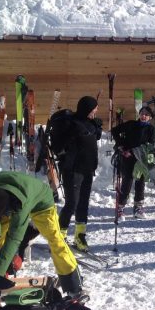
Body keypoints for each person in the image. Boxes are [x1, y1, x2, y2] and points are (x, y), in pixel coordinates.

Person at [0, 172, 84, 301]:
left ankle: (74, 285)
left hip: (41, 203)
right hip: (7, 197)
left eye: (7, 214)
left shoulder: (20, 205)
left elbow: (14, 238)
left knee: (55, 239)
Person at [58, 95, 102, 252]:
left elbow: (92, 138)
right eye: (94, 109)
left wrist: (97, 128)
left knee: (83, 204)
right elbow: (68, 142)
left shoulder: (89, 124)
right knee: (72, 204)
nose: (96, 111)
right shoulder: (72, 124)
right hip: (72, 170)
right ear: (87, 109)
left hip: (87, 170)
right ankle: (60, 236)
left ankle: (80, 236)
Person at [111, 105, 155, 220]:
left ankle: (138, 208)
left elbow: (150, 146)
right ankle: (120, 208)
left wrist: (150, 162)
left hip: (141, 159)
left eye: (146, 115)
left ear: (150, 117)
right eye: (142, 113)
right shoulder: (131, 124)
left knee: (140, 183)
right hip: (127, 158)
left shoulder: (151, 129)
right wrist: (121, 145)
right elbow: (115, 131)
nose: (143, 116)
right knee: (127, 182)